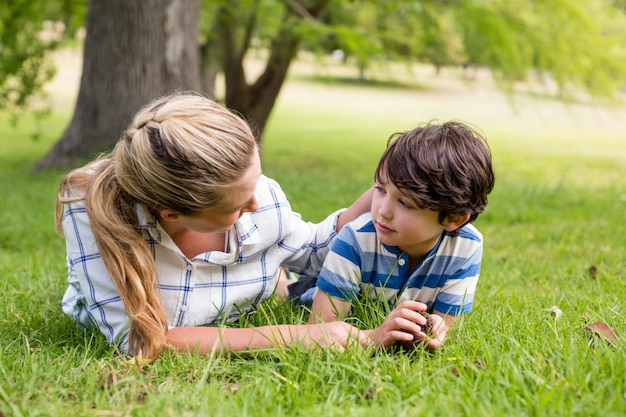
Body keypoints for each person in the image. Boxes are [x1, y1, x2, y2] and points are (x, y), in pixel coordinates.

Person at [55, 92, 373, 360]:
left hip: (244, 297)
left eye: (254, 182)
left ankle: (276, 282)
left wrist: (385, 191)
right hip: (189, 313)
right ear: (172, 215)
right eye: (237, 204)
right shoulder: (95, 210)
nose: (255, 204)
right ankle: (276, 282)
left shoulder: (261, 198)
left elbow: (316, 252)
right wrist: (291, 336)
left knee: (285, 277)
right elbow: (139, 340)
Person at [306, 121, 495, 351]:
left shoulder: (466, 247)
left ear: (453, 219)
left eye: (404, 202)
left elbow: (448, 323)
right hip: (316, 288)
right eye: (380, 189)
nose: (382, 211)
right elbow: (320, 330)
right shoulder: (355, 239)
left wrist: (437, 328)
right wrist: (375, 335)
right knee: (292, 290)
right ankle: (282, 281)